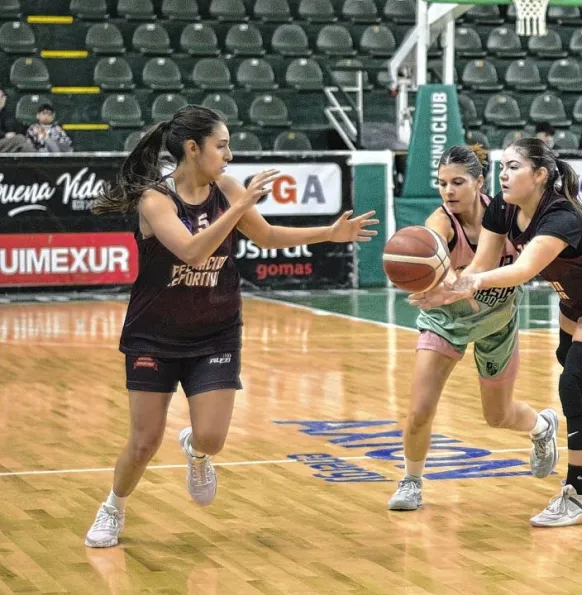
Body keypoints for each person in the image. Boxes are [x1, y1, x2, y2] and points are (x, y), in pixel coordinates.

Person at [84, 105, 378, 547]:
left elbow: (267, 236)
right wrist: (239, 204)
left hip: (215, 330)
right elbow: (192, 252)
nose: (229, 155)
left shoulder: (226, 188)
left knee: (213, 437)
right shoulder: (155, 199)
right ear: (192, 148)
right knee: (144, 441)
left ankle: (197, 453)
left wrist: (328, 234)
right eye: (221, 146)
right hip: (154, 335)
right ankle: (114, 506)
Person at [417, 138, 582, 528]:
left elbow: (522, 271)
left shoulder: (560, 217)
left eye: (514, 167)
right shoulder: (503, 207)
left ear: (541, 175)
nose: (504, 174)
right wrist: (445, 288)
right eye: (502, 167)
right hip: (576, 291)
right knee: (569, 357)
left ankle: (578, 495)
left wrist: (463, 285)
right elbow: (482, 263)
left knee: (574, 381)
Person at [388, 145, 560, 511]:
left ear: (479, 182)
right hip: (445, 322)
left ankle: (542, 427)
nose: (448, 191)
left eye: (457, 182)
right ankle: (411, 481)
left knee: (497, 417)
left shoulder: (507, 213)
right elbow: (447, 271)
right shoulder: (439, 223)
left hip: (497, 322)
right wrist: (448, 283)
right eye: (441, 183)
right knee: (419, 410)